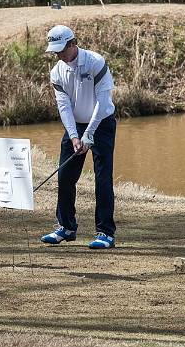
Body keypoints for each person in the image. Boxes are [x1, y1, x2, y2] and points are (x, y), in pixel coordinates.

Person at [41, 24, 117, 249]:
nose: (58, 55)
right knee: (65, 176)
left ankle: (105, 233)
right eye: (55, 51)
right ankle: (66, 227)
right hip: (75, 126)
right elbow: (63, 107)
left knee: (102, 178)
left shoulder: (95, 62)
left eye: (61, 50)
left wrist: (89, 134)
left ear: (73, 43)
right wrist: (75, 136)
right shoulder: (57, 71)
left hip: (101, 124)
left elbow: (103, 103)